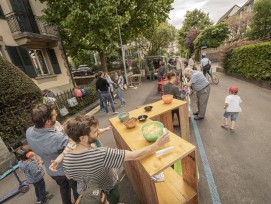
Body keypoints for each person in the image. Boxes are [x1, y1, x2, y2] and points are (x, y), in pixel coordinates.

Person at [51, 115, 169, 204]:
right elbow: (135, 155)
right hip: (109, 191)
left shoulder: (67, 158)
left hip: (89, 193)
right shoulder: (102, 154)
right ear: (82, 138)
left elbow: (70, 176)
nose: (99, 132)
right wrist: (156, 145)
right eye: (95, 131)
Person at [26, 103, 79, 204]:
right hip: (67, 170)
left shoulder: (29, 132)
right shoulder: (57, 138)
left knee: (64, 189)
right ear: (48, 121)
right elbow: (74, 148)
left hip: (52, 171)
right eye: (54, 115)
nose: (57, 115)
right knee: (77, 190)